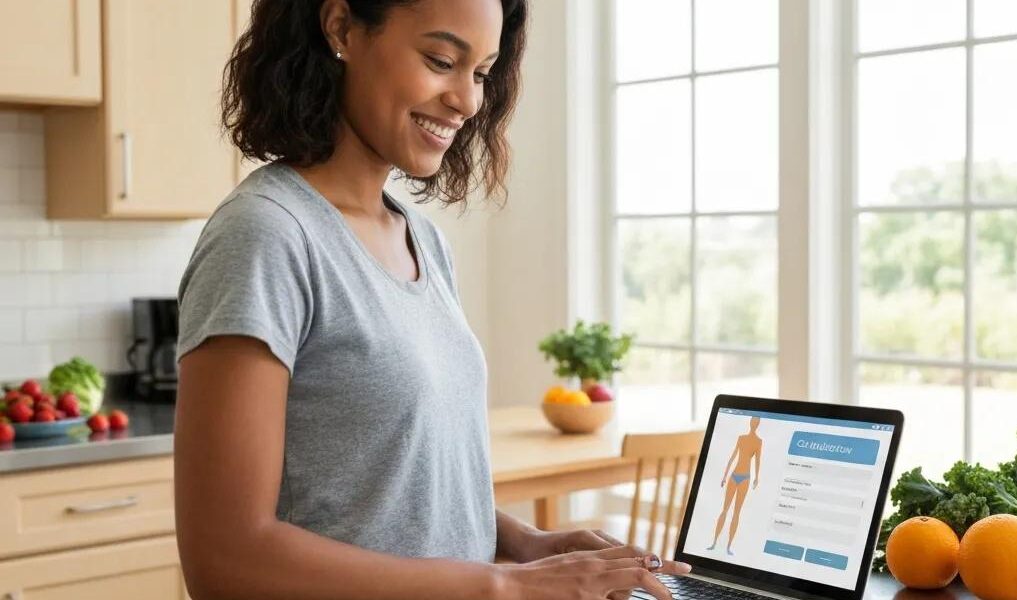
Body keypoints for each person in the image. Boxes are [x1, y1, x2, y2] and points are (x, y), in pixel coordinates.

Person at [172, 1, 692, 598]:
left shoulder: (424, 242)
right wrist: (505, 588)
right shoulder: (266, 236)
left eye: (480, 73)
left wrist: (524, 545)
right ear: (341, 27)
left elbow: (390, 496)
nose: (468, 101)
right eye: (442, 60)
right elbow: (225, 558)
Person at [707, 417, 763, 555]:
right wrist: (725, 476)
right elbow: (732, 457)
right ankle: (714, 542)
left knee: (736, 512)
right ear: (750, 423)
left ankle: (728, 546)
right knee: (725, 510)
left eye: (756, 423)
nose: (753, 424)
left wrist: (756, 478)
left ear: (757, 425)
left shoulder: (758, 442)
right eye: (752, 422)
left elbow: (758, 461)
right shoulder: (741, 438)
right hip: (734, 475)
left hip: (745, 478)